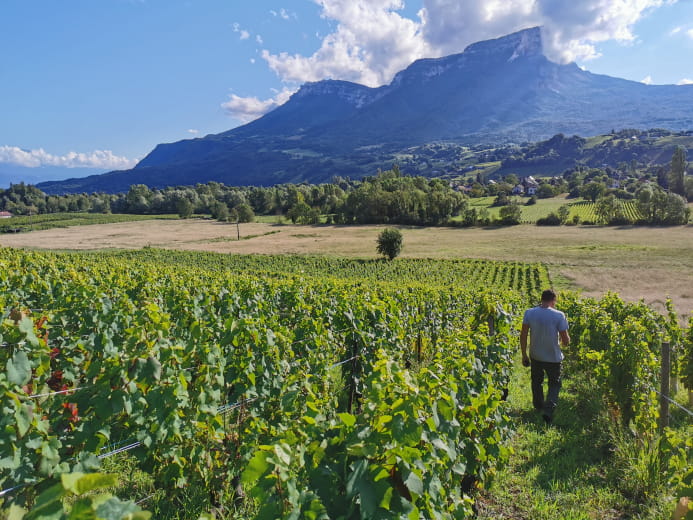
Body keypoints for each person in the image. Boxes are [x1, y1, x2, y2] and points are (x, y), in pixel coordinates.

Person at [520, 289, 570, 424]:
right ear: (553, 301)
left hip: (535, 355)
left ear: (541, 299)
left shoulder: (529, 313)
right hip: (553, 357)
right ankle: (548, 410)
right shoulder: (559, 315)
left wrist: (524, 354)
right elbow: (566, 340)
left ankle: (538, 406)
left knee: (536, 381)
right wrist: (562, 344)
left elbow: (523, 335)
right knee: (555, 383)